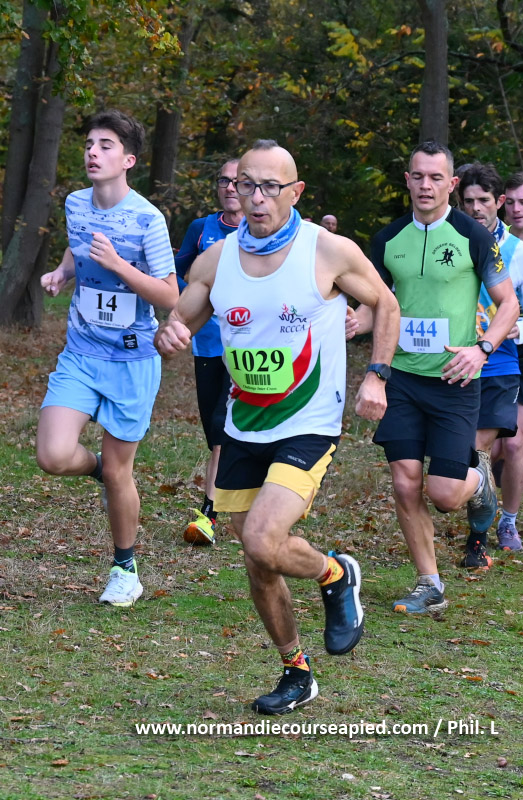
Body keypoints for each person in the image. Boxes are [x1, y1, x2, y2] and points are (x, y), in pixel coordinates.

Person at [155, 139, 399, 714]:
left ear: (295, 191)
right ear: (233, 189)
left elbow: (385, 305)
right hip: (244, 422)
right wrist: (171, 332)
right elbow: (183, 318)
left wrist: (377, 377)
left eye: (270, 187)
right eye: (247, 185)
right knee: (257, 557)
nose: (257, 198)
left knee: (264, 537)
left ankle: (335, 573)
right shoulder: (215, 260)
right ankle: (296, 671)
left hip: (308, 420)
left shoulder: (327, 251)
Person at [356, 140, 518, 615]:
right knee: (406, 483)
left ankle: (479, 480)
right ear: (407, 180)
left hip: (455, 379)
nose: (425, 185)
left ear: (451, 183)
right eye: (418, 176)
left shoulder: (473, 236)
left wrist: (481, 349)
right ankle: (429, 584)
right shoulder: (388, 240)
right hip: (403, 378)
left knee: (445, 494)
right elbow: (376, 305)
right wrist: (350, 321)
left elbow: (509, 304)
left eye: (436, 177)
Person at [36, 110, 178, 607]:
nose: (93, 153)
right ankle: (98, 467)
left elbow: (169, 295)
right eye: (89, 144)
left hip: (132, 361)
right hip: (80, 352)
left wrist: (119, 265)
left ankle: (125, 569)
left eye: (105, 145)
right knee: (53, 455)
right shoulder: (76, 204)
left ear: (128, 160)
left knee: (123, 475)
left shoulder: (148, 220)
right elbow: (78, 248)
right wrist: (63, 272)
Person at [458, 163, 523, 565]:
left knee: (494, 446)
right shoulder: (449, 242)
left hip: (506, 359)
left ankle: (490, 531)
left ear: (497, 202)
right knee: (467, 453)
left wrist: (512, 329)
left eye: (483, 200)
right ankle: (480, 508)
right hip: (455, 359)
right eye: (468, 201)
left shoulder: (521, 254)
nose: (475, 208)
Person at [174, 159, 242, 546]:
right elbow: (177, 273)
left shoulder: (262, 233)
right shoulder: (201, 228)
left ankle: (209, 514)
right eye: (223, 181)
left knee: (221, 426)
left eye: (237, 181)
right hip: (207, 343)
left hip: (247, 346)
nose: (230, 187)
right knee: (212, 429)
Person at [490, 171, 523, 550]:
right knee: (493, 447)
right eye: (512, 201)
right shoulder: (490, 240)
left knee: (515, 443)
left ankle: (508, 522)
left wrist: (521, 328)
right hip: (494, 351)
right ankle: (485, 506)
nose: (517, 209)